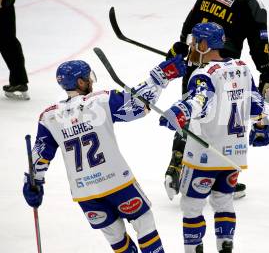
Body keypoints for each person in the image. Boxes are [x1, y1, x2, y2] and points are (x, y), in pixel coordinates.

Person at [22, 55, 186, 252]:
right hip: (117, 183)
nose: (91, 81)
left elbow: (39, 156)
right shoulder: (99, 102)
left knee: (117, 239)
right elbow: (137, 105)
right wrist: (160, 77)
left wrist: (32, 183)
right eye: (87, 78)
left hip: (84, 193)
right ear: (80, 82)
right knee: (144, 224)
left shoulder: (49, 117)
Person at [164, 0, 269, 200]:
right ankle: (215, 176)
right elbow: (260, 46)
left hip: (195, 60)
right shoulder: (253, 4)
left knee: (192, 111)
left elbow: (190, 21)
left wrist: (181, 47)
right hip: (221, 71)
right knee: (219, 122)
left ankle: (177, 165)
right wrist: (267, 72)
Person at [159, 22, 269, 253]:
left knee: (191, 206)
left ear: (203, 44)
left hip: (204, 154)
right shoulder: (242, 67)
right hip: (234, 155)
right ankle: (225, 248)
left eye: (193, 43)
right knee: (224, 203)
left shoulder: (203, 74)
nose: (190, 47)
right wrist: (262, 124)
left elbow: (200, 101)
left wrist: (180, 112)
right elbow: (255, 101)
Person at [0, 0, 29, 100]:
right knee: (7, 41)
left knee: (7, 41)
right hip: (5, 3)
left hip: (3, 4)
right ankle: (18, 80)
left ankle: (18, 81)